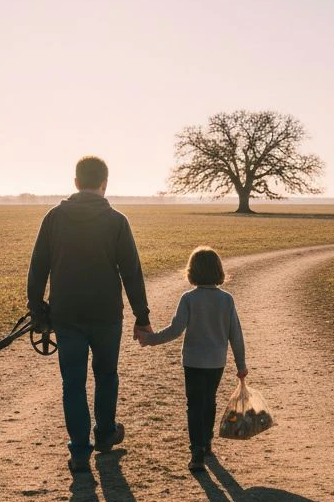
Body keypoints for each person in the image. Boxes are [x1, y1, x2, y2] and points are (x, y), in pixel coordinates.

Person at [27, 156, 151, 474]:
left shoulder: (54, 218)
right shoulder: (117, 221)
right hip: (107, 313)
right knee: (106, 375)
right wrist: (142, 316)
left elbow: (38, 267)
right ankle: (106, 434)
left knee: (73, 382)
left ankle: (80, 451)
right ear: (105, 184)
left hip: (66, 313)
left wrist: (36, 308)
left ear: (76, 183)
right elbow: (132, 273)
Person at [139, 246, 247, 471]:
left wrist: (150, 339)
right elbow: (235, 334)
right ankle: (206, 442)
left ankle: (196, 451)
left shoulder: (188, 298)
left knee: (194, 405)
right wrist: (241, 365)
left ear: (192, 271)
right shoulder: (227, 300)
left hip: (193, 361)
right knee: (209, 401)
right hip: (216, 361)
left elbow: (175, 330)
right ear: (218, 270)